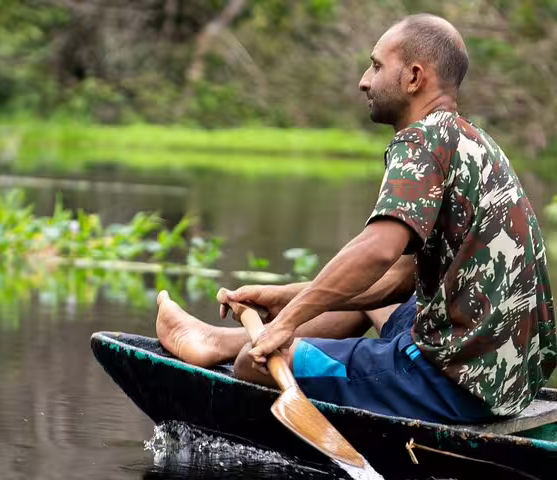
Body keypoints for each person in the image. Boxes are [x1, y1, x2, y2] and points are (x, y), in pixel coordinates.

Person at [155, 13, 556, 423]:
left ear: (414, 77)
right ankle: (217, 340)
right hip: (507, 380)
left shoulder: (422, 140)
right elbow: (398, 278)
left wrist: (285, 324)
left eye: (377, 65)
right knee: (366, 303)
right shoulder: (472, 139)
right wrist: (287, 296)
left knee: (251, 364)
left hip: (451, 381)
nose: (365, 80)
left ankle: (233, 348)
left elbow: (378, 251)